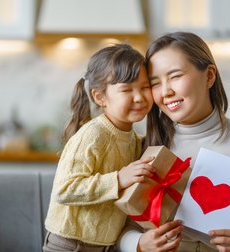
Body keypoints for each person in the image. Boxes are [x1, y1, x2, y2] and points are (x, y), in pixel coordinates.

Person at [118, 32, 230, 252]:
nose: (166, 91)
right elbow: (120, 228)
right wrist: (139, 244)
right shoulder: (145, 147)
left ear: (209, 76)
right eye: (155, 83)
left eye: (175, 76)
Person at [43, 43, 176, 251]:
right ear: (100, 97)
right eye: (126, 89)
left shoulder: (133, 139)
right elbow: (64, 190)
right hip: (70, 245)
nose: (139, 97)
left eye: (144, 87)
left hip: (105, 246)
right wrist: (118, 179)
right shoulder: (93, 135)